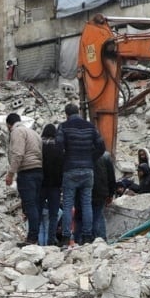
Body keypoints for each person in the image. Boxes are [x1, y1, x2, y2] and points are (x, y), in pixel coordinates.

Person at [56, 102, 105, 246]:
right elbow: (101, 146)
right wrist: (90, 158)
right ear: (78, 112)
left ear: (66, 114)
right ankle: (87, 236)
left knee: (68, 204)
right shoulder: (90, 126)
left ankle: (66, 236)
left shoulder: (63, 127)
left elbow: (58, 147)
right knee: (86, 203)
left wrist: (66, 160)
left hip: (70, 170)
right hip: (87, 170)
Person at [5, 113, 44, 245]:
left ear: (9, 125)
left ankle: (32, 238)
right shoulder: (33, 133)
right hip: (39, 171)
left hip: (27, 172)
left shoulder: (16, 132)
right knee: (36, 205)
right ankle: (35, 236)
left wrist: (11, 174)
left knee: (30, 205)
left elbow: (18, 154)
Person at [39, 123, 63, 246]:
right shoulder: (59, 146)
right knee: (53, 215)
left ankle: (38, 240)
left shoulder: (39, 145)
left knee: (38, 213)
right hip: (55, 185)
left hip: (41, 184)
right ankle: (51, 241)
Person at [91, 151, 115, 241]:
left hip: (87, 191)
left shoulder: (84, 153)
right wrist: (111, 193)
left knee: (91, 214)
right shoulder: (106, 156)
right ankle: (101, 238)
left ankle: (91, 237)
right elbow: (111, 176)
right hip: (102, 191)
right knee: (99, 214)